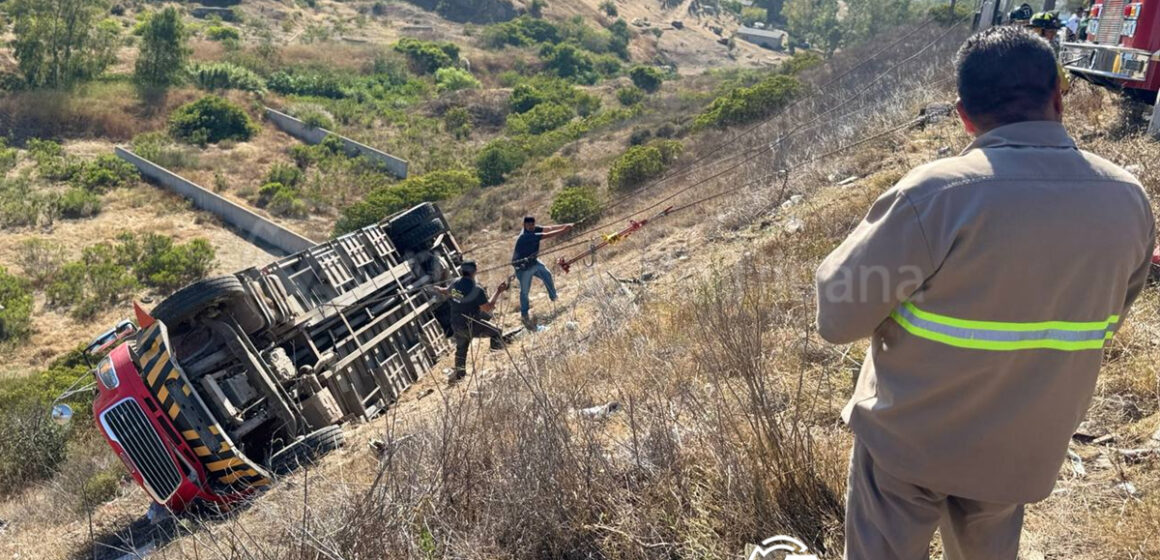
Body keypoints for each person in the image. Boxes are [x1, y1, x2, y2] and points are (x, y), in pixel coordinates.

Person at [816, 27, 1153, 559]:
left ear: (963, 114)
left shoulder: (935, 195)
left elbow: (838, 318)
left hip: (910, 443)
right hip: (1021, 447)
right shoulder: (1128, 200)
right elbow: (1110, 315)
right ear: (1058, 99)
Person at [435, 261, 509, 383]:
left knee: (461, 350)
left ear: (461, 271)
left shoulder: (454, 283)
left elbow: (446, 291)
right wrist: (498, 291)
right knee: (497, 332)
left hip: (457, 324)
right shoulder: (476, 290)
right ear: (475, 271)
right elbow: (487, 308)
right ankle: (496, 356)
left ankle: (460, 375)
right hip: (472, 325)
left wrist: (438, 289)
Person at [511, 216, 572, 327]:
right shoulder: (525, 236)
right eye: (528, 225)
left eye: (532, 225)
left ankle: (553, 297)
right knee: (525, 292)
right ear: (524, 225)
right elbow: (547, 235)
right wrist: (563, 230)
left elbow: (548, 228)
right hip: (523, 267)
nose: (531, 227)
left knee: (547, 274)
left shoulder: (535, 229)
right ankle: (524, 314)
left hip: (533, 262)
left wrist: (565, 225)